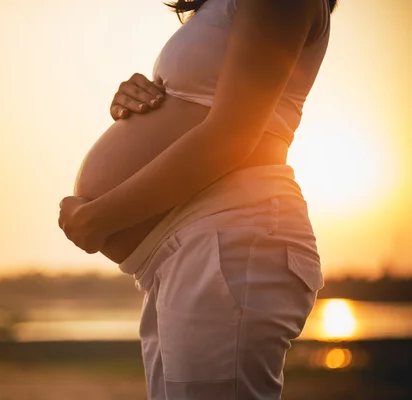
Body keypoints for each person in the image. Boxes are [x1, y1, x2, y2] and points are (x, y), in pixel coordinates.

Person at [59, 0, 337, 398]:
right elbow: (204, 106)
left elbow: (231, 136)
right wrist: (142, 102)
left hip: (230, 240)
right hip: (189, 252)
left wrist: (97, 219)